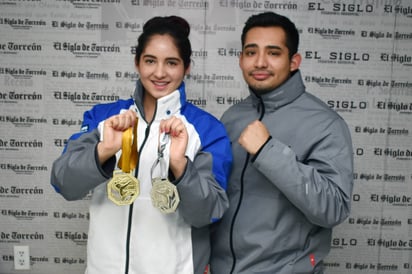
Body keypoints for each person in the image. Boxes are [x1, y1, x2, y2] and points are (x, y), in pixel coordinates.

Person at [50, 15, 232, 274]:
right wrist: (104, 151)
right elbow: (63, 183)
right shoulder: (104, 118)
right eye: (150, 61)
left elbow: (209, 213)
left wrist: (180, 166)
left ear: (187, 67)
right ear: (137, 63)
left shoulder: (206, 129)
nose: (159, 73)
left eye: (171, 62)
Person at [210, 11, 354, 274]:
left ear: (293, 61)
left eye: (274, 53)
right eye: (251, 52)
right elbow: (216, 197)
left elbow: (334, 209)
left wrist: (267, 150)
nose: (260, 62)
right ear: (241, 59)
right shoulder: (232, 117)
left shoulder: (325, 123)